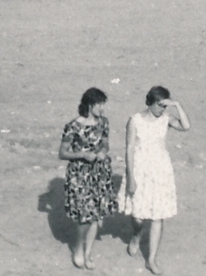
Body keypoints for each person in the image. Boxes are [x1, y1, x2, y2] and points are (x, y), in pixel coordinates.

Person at [123, 86, 189, 275]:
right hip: (140, 170)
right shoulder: (135, 120)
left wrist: (177, 105)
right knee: (137, 216)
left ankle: (151, 259)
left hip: (161, 171)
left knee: (158, 215)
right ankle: (136, 235)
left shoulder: (166, 119)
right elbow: (128, 149)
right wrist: (130, 178)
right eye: (159, 106)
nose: (162, 110)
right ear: (150, 103)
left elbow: (186, 126)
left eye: (165, 106)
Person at [60, 87, 120, 269]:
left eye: (103, 104)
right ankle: (78, 248)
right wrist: (82, 155)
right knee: (84, 217)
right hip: (80, 174)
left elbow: (105, 143)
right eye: (99, 104)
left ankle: (88, 254)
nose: (102, 108)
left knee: (95, 216)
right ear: (89, 104)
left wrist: (102, 151)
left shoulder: (103, 123)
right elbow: (62, 153)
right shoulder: (73, 126)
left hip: (99, 173)